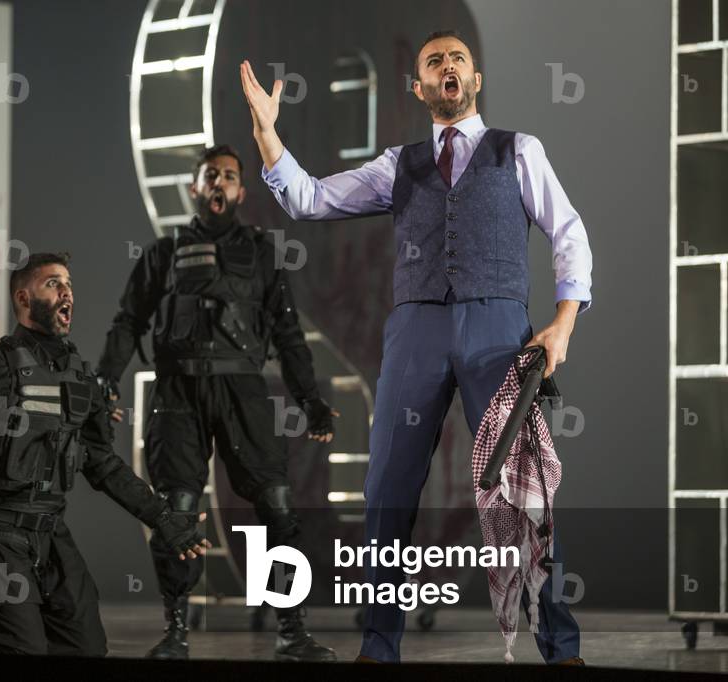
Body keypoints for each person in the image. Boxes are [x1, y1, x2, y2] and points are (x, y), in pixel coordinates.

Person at [240, 30, 591, 665]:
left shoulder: (519, 150)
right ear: (419, 86)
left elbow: (568, 232)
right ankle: (378, 649)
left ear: (475, 79)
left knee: (522, 489)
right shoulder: (398, 164)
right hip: (414, 332)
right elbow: (310, 199)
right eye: (435, 62)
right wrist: (268, 132)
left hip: (498, 328)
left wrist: (563, 321)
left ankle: (561, 650)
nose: (448, 67)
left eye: (458, 59)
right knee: (387, 491)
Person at [0, 252, 210, 655]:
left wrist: (163, 518)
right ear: (22, 298)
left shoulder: (80, 377)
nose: (66, 291)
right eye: (53, 283)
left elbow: (102, 464)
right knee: (21, 650)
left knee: (85, 650)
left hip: (48, 530)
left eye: (69, 283)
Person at [95, 145, 337, 662]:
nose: (220, 184)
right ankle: (176, 630)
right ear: (195, 188)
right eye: (211, 176)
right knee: (178, 509)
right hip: (178, 391)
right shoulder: (163, 253)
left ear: (242, 191)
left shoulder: (263, 254)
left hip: (242, 391)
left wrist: (309, 399)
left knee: (277, 505)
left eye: (229, 176)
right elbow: (127, 324)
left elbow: (289, 333)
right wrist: (103, 384)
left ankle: (292, 630)